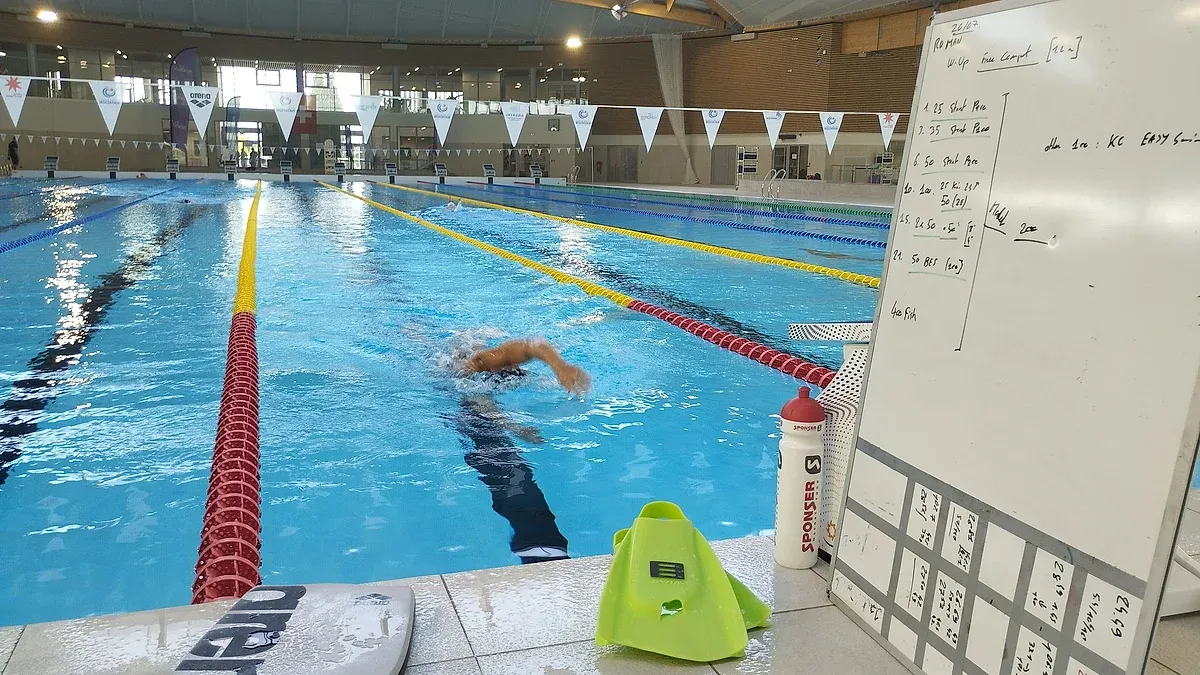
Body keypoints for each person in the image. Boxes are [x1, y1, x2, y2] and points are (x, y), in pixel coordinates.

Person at [459, 338, 591, 397]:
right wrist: (514, 428)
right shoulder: (478, 365)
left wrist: (561, 368)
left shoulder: (495, 358)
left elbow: (534, 346)